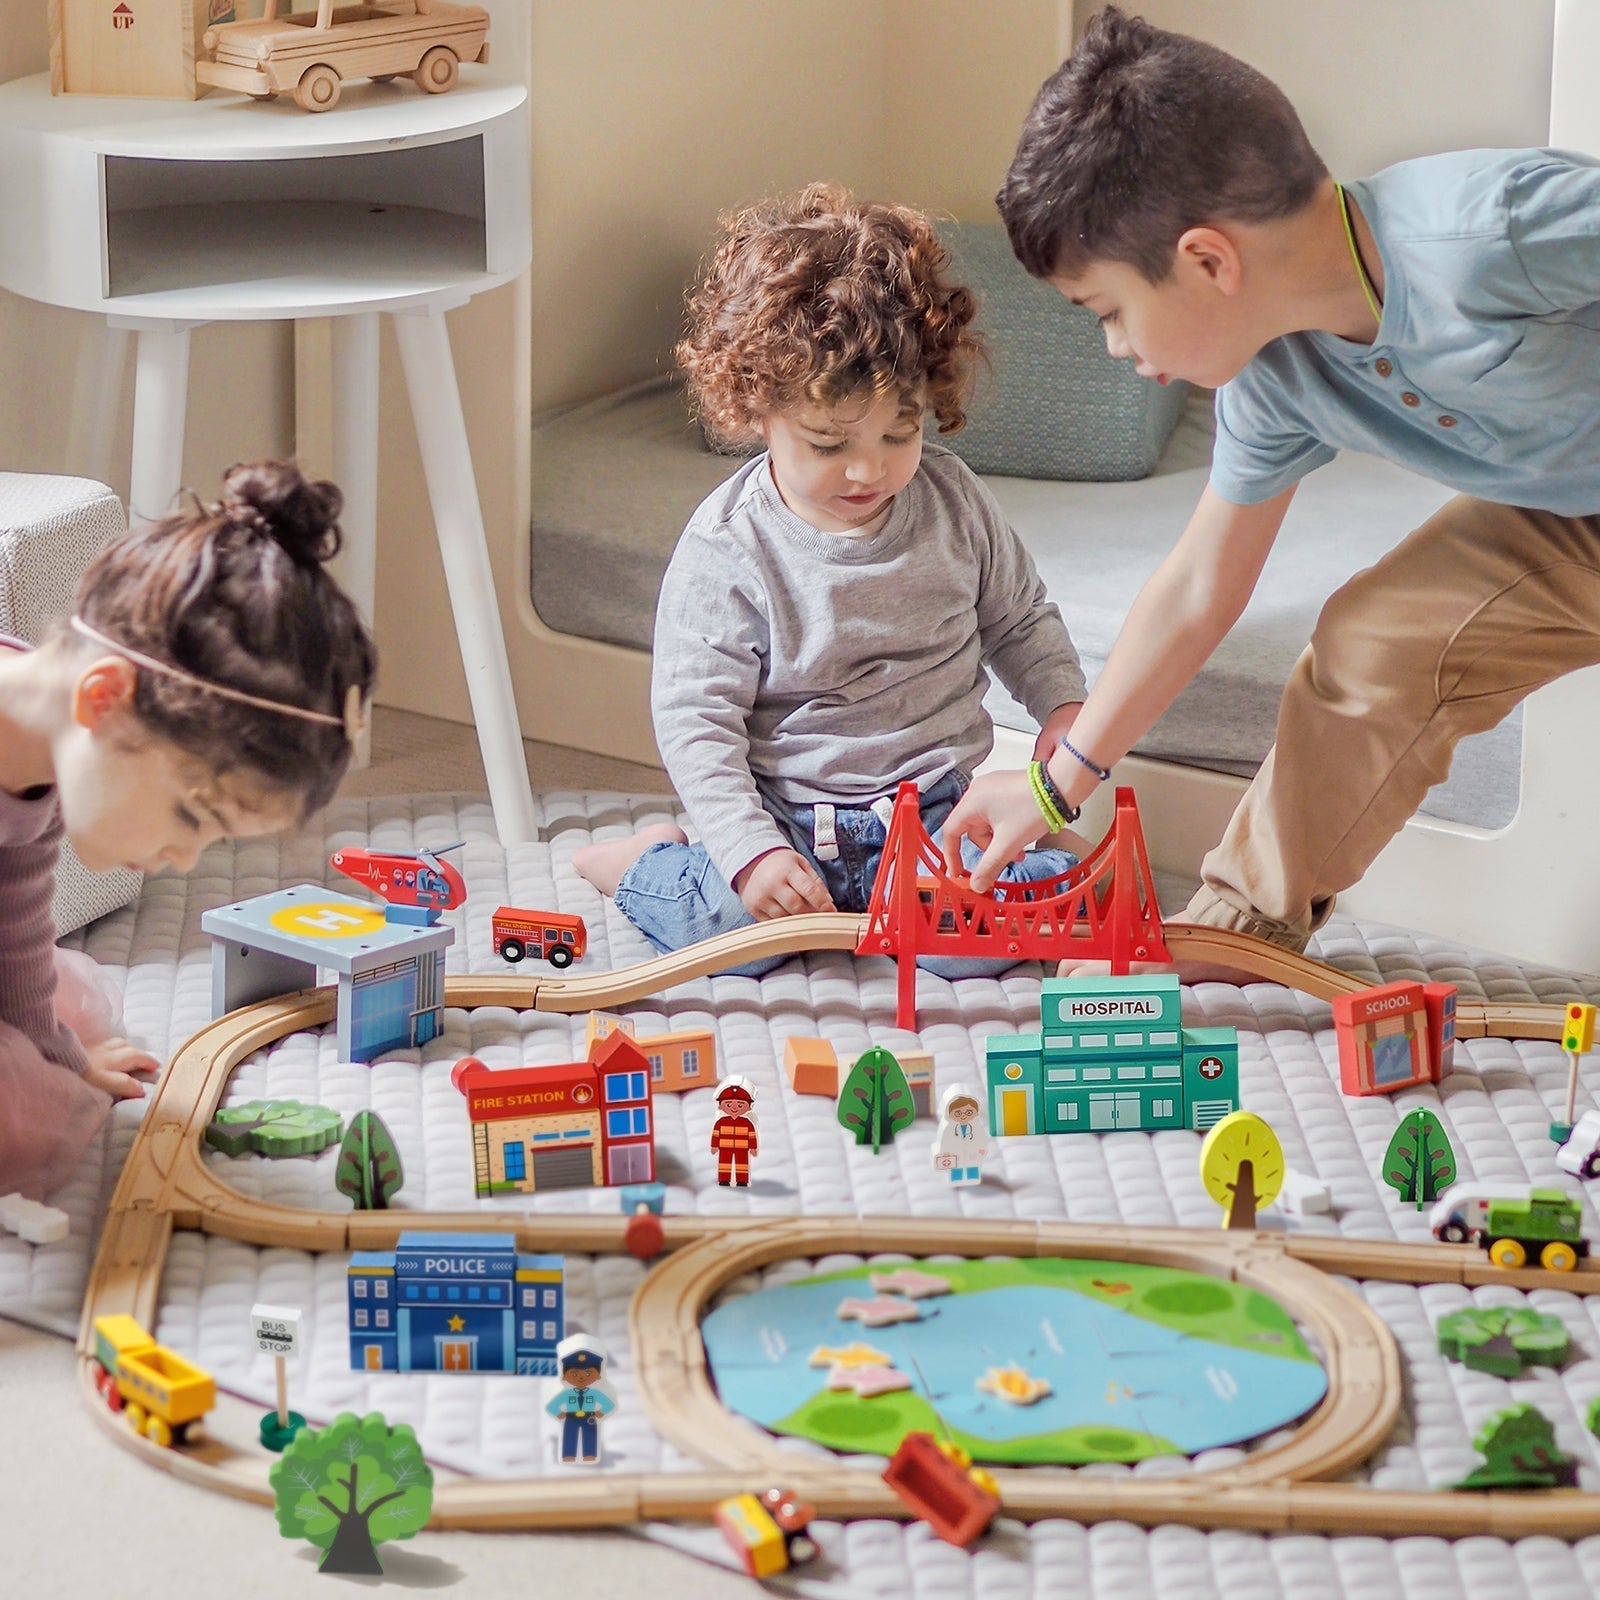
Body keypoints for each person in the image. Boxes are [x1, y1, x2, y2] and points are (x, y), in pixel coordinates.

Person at [943, 6, 1600, 969]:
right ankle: (1248, 921)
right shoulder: (1276, 377)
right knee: (1377, 639)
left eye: (1110, 313)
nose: (1118, 349)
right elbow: (1203, 583)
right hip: (1568, 522)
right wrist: (1053, 787)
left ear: (1208, 260)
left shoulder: (1490, 233)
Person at [574, 185, 1091, 972]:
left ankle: (1051, 859)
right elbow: (695, 723)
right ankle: (640, 861)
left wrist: (1062, 707)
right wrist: (749, 855)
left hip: (934, 814)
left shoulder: (953, 503)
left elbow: (1019, 621)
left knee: (977, 941)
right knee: (727, 938)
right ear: (758, 410)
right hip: (785, 817)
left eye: (899, 431)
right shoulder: (728, 548)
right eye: (826, 441)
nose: (867, 468)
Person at [0, 460, 376, 1197]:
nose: (181, 858)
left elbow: (15, 937)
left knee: (46, 1023)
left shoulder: (35, 757)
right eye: (191, 815)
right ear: (104, 699)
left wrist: (55, 1058)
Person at [544, 1334, 617, 1465]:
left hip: (590, 1417)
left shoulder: (595, 1393)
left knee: (590, 1436)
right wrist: (559, 1413)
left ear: (598, 1376)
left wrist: (601, 1412)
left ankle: (590, 1454)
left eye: (589, 1373)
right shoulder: (566, 1393)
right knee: (569, 1436)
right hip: (570, 1417)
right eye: (574, 1374)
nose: (581, 1377)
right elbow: (552, 1406)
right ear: (564, 1375)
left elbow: (609, 1405)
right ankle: (568, 1454)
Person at [931, 1084, 989, 1187]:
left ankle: (973, 1179)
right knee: (956, 1168)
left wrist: (982, 1148)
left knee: (972, 1166)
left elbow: (981, 1138)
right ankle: (956, 1180)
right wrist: (944, 1152)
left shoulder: (976, 1126)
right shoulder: (948, 1127)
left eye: (969, 1112)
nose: (963, 1115)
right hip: (955, 1153)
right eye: (958, 1113)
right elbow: (944, 1140)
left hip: (972, 1153)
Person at [710, 1075, 759, 1188]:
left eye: (740, 1105)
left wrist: (753, 1147)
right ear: (721, 1106)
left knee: (742, 1165)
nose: (734, 1108)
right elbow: (715, 1134)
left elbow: (752, 1135)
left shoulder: (747, 1122)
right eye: (728, 1104)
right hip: (724, 1147)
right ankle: (724, 1180)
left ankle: (742, 1180)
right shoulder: (721, 1121)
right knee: (724, 1164)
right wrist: (714, 1146)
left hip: (742, 1148)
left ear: (748, 1106)